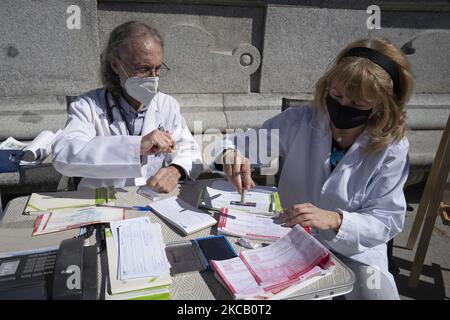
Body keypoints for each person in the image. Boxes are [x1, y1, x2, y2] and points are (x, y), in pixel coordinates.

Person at [212, 37, 414, 299]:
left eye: (358, 104)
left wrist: (337, 220)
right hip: (290, 243)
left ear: (382, 105)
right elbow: (227, 146)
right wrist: (230, 154)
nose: (342, 107)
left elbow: (387, 219)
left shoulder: (393, 148)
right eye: (337, 95)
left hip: (356, 253)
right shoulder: (300, 121)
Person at [53, 21, 202, 191]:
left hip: (153, 201)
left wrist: (176, 171)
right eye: (143, 69)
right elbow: (63, 156)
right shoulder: (88, 106)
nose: (153, 78)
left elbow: (189, 150)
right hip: (103, 202)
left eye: (158, 68)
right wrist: (137, 146)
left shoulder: (166, 105)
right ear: (116, 65)